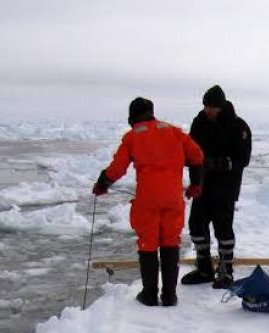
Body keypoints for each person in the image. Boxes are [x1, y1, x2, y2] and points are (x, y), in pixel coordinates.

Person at [92, 97, 204, 306]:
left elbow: (117, 168)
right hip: (173, 198)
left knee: (148, 243)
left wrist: (102, 183)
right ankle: (170, 296)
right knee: (171, 241)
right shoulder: (174, 132)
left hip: (148, 199)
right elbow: (197, 155)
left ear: (132, 117)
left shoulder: (133, 136)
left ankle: (150, 294)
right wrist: (196, 183)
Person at [181, 85, 252, 289]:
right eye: (206, 106)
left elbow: (243, 159)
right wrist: (190, 162)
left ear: (221, 106)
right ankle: (204, 269)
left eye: (212, 107)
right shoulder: (199, 123)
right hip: (203, 185)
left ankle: (225, 271)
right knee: (196, 225)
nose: (208, 110)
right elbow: (191, 150)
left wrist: (217, 163)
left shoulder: (239, 127)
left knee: (223, 228)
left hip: (226, 187)